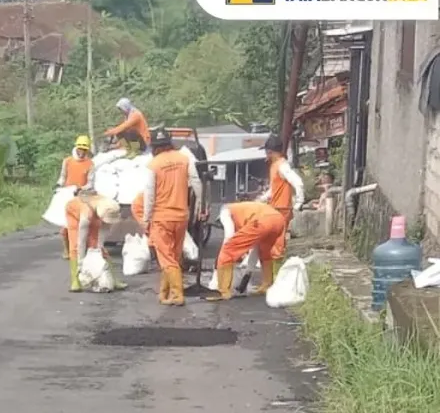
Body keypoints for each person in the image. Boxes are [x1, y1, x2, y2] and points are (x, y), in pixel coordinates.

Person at [139, 126, 201, 307]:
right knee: (173, 257)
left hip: (161, 218)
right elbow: (196, 183)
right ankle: (164, 293)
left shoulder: (154, 164)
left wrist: (146, 219)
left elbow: (149, 195)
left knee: (166, 259)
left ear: (155, 147)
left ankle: (177, 295)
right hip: (181, 217)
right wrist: (199, 207)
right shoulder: (184, 159)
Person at [208, 200, 285, 301]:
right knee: (264, 251)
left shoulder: (225, 212)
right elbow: (256, 249)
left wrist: (221, 258)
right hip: (278, 220)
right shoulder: (244, 210)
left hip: (261, 221)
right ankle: (267, 285)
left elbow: (229, 236)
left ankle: (222, 290)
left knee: (227, 250)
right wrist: (248, 273)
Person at [258, 134, 305, 271]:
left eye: (267, 151)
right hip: (275, 209)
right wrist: (262, 198)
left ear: (270, 151)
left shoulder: (282, 166)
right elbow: (274, 189)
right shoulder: (274, 166)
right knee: (270, 241)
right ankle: (272, 274)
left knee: (277, 244)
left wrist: (299, 202)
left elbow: (298, 183)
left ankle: (276, 273)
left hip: (282, 209)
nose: (266, 154)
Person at [64, 190, 125, 292]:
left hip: (95, 216)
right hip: (74, 215)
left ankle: (115, 280)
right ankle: (76, 281)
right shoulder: (86, 214)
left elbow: (102, 235)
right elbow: (81, 241)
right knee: (75, 246)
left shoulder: (109, 209)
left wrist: (98, 248)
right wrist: (81, 262)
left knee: (97, 247)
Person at [56, 135, 95, 258]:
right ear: (76, 148)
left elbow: (90, 182)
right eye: (80, 149)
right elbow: (63, 176)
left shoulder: (90, 164)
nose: (82, 152)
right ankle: (67, 250)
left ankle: (84, 250)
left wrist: (81, 188)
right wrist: (58, 184)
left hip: (82, 196)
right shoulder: (67, 161)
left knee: (83, 224)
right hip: (67, 195)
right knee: (65, 227)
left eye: (84, 150)